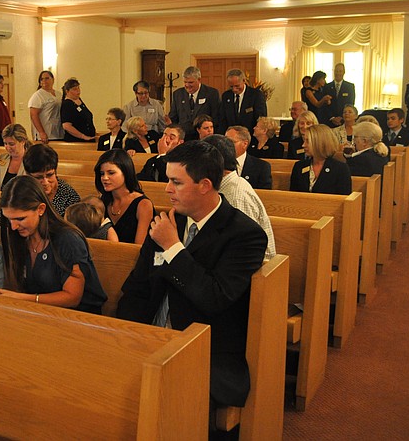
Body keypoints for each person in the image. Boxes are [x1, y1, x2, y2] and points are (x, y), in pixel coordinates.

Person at [116, 140, 266, 408]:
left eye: (177, 182)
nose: (167, 189)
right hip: (152, 340)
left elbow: (214, 298)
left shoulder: (244, 235)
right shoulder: (167, 221)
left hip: (205, 353)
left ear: (205, 185)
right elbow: (136, 288)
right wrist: (124, 338)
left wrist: (173, 247)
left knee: (157, 399)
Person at [0, 175, 107, 314]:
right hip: (39, 312)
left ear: (41, 209)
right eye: (9, 219)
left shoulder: (68, 239)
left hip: (78, 317)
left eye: (20, 218)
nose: (13, 226)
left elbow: (72, 298)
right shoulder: (19, 236)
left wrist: (21, 298)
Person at [203, 135, 276, 260]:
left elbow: (244, 250)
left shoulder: (235, 196)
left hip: (257, 270)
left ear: (213, 165)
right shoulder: (224, 186)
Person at [95, 149, 154, 244]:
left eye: (111, 173)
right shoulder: (102, 201)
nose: (104, 178)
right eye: (102, 174)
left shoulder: (143, 204)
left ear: (126, 172)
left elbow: (139, 247)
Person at [290, 124, 351, 195]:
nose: (303, 145)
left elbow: (344, 200)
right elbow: (293, 196)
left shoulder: (340, 169)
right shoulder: (299, 166)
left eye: (308, 141)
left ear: (320, 142)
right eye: (304, 141)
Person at [22, 144, 80, 216]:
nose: (45, 182)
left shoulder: (69, 196)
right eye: (38, 177)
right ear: (28, 175)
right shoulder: (22, 192)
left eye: (49, 175)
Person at [168, 66, 220, 132]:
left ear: (199, 80)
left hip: (204, 136)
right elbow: (174, 117)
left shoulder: (211, 93)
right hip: (185, 136)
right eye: (185, 82)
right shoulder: (178, 94)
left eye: (190, 82)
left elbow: (216, 118)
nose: (187, 85)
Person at [219, 68, 267, 133]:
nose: (234, 89)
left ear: (244, 81)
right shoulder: (226, 96)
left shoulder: (256, 95)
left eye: (237, 86)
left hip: (250, 136)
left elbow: (261, 118)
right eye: (231, 86)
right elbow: (223, 120)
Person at [226, 125, 272, 190]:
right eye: (225, 142)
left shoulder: (262, 167)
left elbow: (264, 194)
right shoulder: (220, 164)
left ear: (245, 144)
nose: (226, 145)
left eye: (231, 142)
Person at [0, 124, 29, 190]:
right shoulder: (1, 158)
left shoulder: (32, 160)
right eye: (5, 143)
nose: (7, 147)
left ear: (23, 142)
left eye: (11, 144)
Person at [28, 70, 64, 144]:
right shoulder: (38, 95)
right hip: (46, 133)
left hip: (58, 132)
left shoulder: (58, 94)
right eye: (42, 79)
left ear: (53, 79)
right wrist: (41, 132)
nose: (44, 81)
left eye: (47, 78)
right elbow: (33, 115)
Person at [60, 77, 96, 142]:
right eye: (74, 89)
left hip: (89, 138)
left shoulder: (79, 101)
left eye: (78, 88)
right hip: (77, 140)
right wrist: (83, 136)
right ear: (67, 91)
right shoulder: (67, 104)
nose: (78, 91)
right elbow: (66, 126)